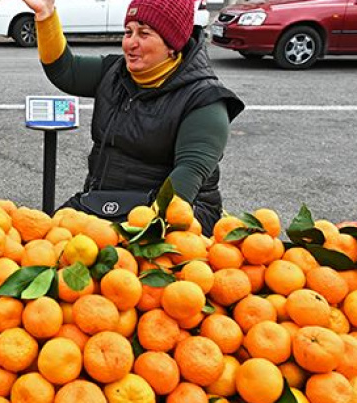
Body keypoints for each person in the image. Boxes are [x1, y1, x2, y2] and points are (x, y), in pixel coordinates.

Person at [22, 0, 244, 235]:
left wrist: (137, 235)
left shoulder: (205, 100)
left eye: (144, 33)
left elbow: (187, 178)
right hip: (106, 203)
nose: (130, 43)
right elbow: (65, 71)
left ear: (173, 44)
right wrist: (45, 15)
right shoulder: (115, 72)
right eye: (128, 32)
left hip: (178, 215)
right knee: (50, 239)